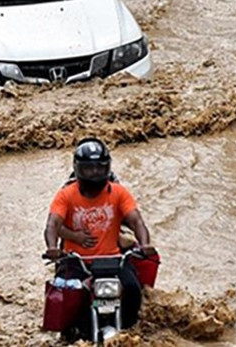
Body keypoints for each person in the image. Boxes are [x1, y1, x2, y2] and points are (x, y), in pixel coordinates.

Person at [44, 137, 156, 332]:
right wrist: (53, 248)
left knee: (132, 289)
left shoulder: (119, 192)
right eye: (89, 169)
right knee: (68, 299)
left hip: (113, 260)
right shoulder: (66, 194)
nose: (95, 173)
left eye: (99, 168)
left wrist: (145, 244)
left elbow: (136, 221)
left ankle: (127, 332)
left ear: (108, 168)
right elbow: (53, 224)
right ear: (78, 169)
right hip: (76, 261)